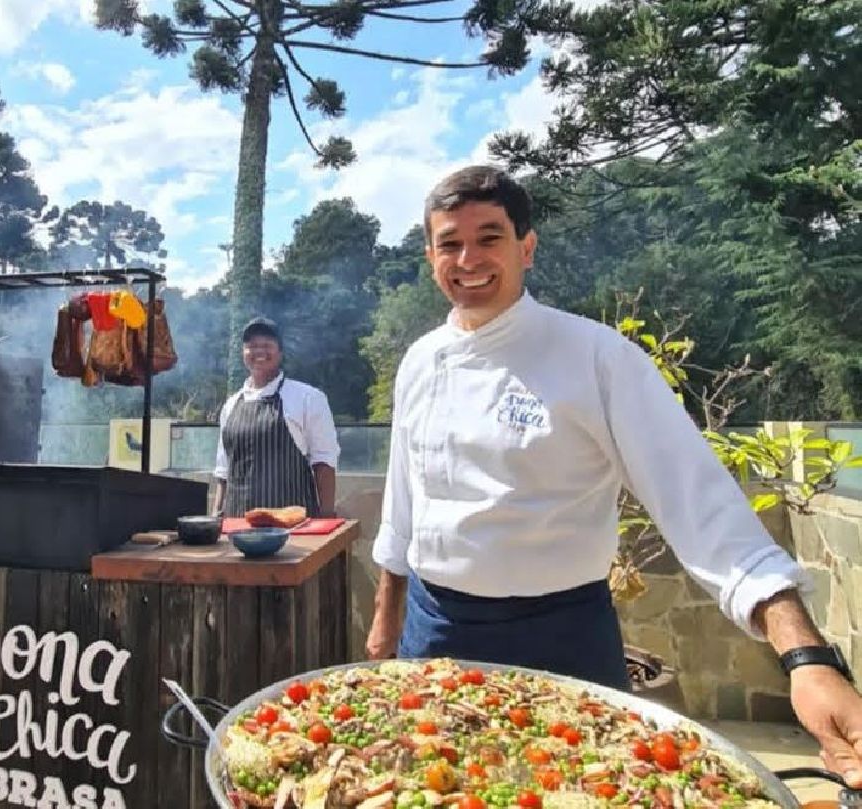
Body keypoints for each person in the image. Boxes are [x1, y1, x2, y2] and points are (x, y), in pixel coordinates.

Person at [366, 165, 862, 786]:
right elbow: (403, 500)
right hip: (435, 631)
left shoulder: (598, 358)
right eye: (449, 243)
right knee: (432, 788)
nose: (468, 259)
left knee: (577, 790)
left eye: (489, 238)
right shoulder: (420, 361)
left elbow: (702, 508)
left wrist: (806, 658)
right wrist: (388, 614)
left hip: (562, 635)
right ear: (431, 255)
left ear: (527, 247)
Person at [212, 317, 340, 518]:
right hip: (236, 527)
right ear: (243, 354)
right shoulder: (230, 406)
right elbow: (223, 472)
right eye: (252, 346)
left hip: (295, 529)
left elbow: (324, 463)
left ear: (280, 352)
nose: (259, 352)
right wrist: (215, 517)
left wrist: (326, 519)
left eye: (267, 345)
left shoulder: (308, 398)